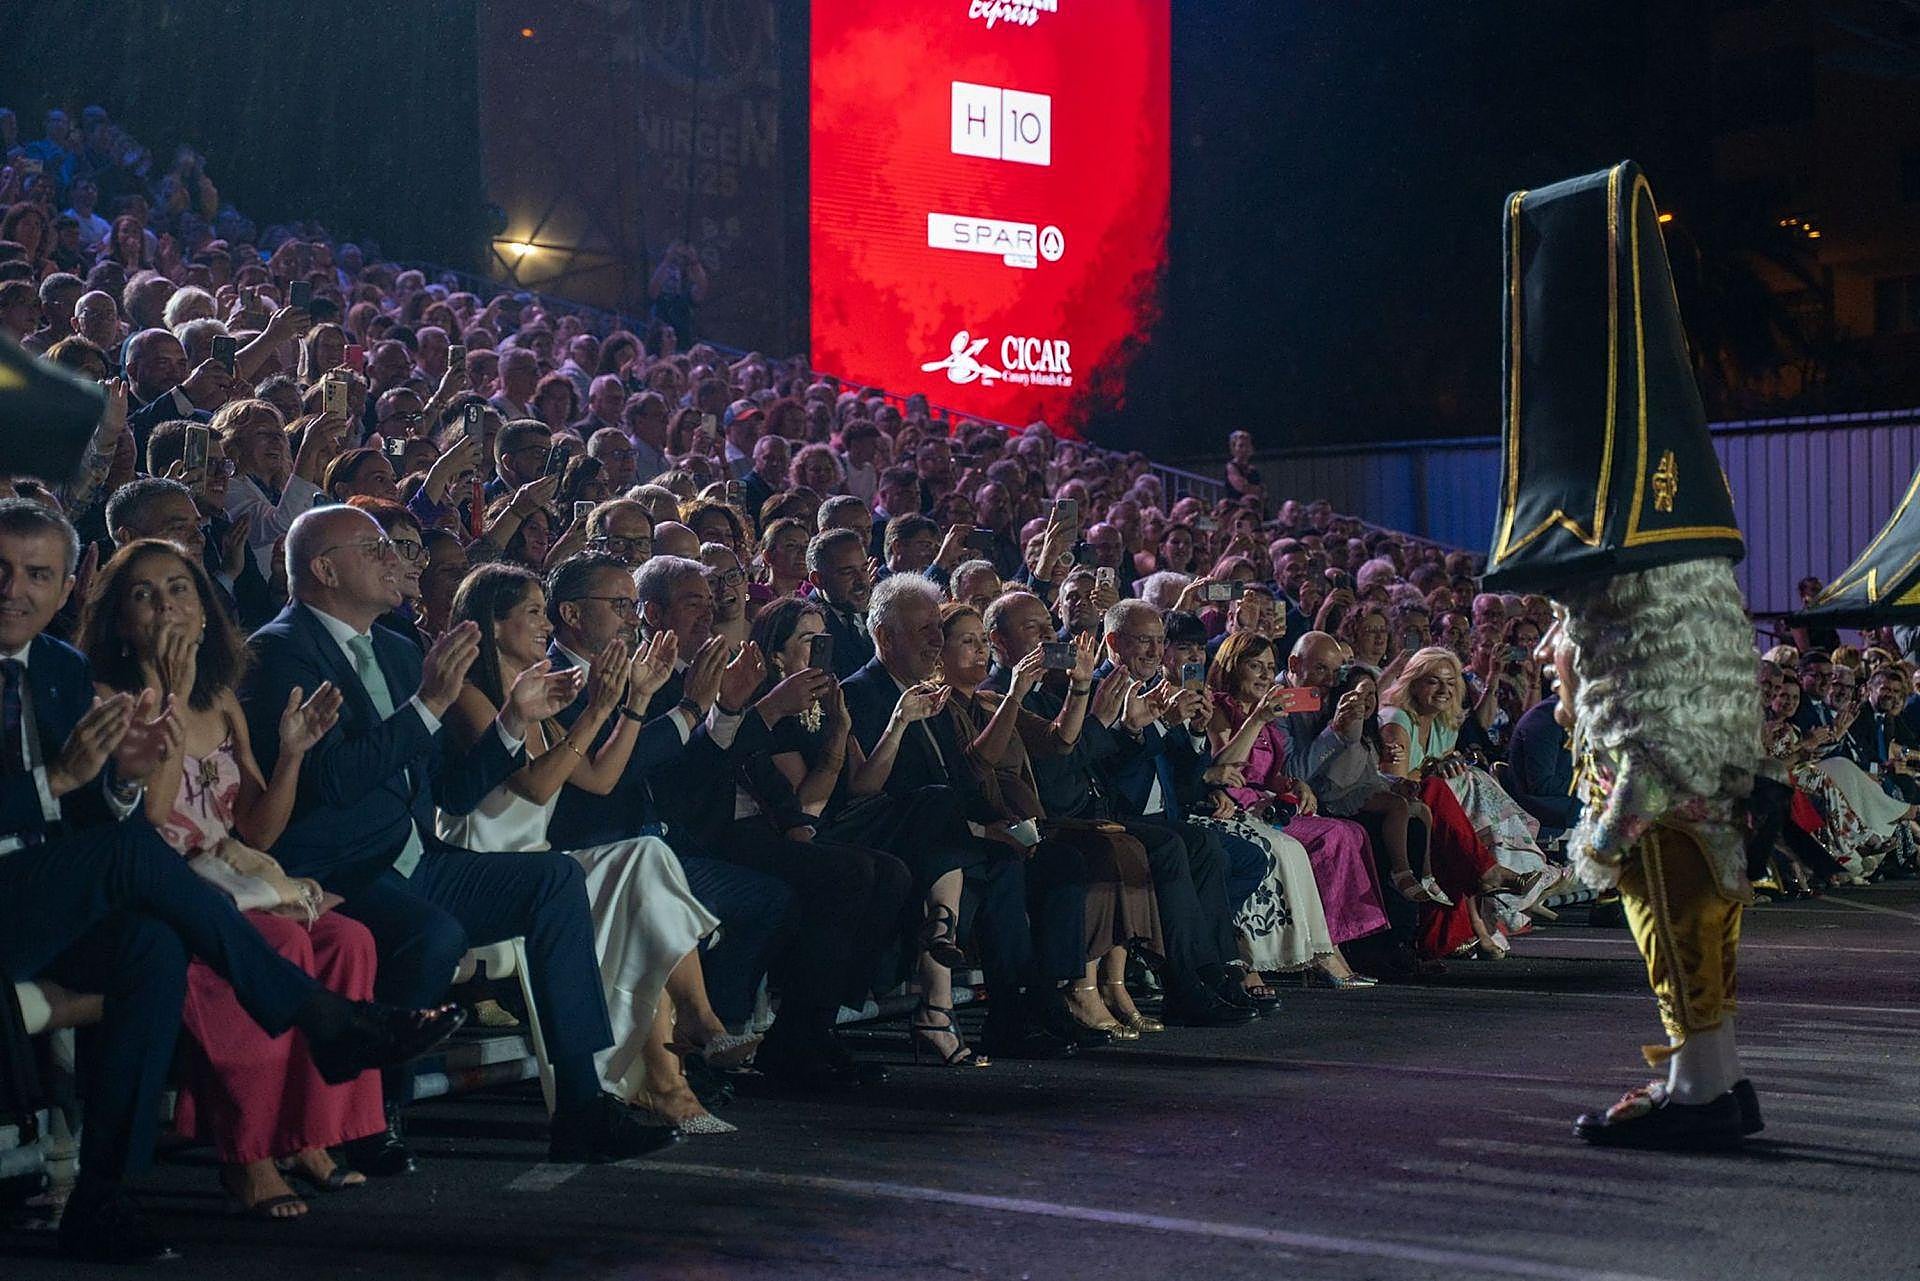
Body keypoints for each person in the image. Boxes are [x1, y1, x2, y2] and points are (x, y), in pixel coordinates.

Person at [0, 499, 460, 1263]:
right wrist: (59, 781)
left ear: (62, 588)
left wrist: (121, 777)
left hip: (49, 902)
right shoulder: (96, 677)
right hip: (26, 890)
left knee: (151, 944)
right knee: (134, 856)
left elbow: (117, 808)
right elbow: (102, 817)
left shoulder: (57, 670)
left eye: (36, 574)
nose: (14, 588)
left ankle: (104, 1195)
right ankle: (315, 1015)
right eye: (1, 570)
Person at [240, 505, 679, 1168]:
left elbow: (449, 791)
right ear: (325, 569)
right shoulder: (280, 649)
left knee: (556, 880)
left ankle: (582, 1105)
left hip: (417, 857)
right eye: (375, 548)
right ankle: (376, 1113)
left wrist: (511, 721)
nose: (397, 560)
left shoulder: (393, 645)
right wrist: (427, 706)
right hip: (338, 867)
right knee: (433, 932)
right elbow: (329, 782)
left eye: (395, 547)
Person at [1482, 162, 1763, 1148]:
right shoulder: (1675, 607)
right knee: (1689, 939)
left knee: (1681, 939)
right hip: (1692, 792)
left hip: (1662, 799)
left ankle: (1701, 1094)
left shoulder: (1648, 623)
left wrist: (1599, 833)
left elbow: (1652, 743)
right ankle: (1707, 1080)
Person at [79, 538, 383, 1219]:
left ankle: (309, 1131)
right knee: (283, 946)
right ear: (120, 619)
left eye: (179, 589)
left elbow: (259, 830)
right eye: (144, 594)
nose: (165, 605)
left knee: (348, 940)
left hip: (232, 876)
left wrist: (293, 754)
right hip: (167, 895)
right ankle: (247, 1153)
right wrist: (166, 696)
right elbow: (152, 815)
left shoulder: (221, 700)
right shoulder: (105, 695)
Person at [438, 564, 743, 1133]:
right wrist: (601, 709)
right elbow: (536, 783)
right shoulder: (471, 696)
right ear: (492, 623)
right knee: (636, 875)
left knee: (646, 855)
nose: (543, 621)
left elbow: (600, 779)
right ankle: (666, 1078)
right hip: (487, 868)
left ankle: (700, 1024)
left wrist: (636, 702)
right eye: (532, 611)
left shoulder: (537, 690)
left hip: (543, 863)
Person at [936, 602, 1166, 1038]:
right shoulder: (941, 705)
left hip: (1022, 829)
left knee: (1065, 865)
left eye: (981, 641)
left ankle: (1055, 995)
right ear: (939, 652)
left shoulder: (988, 699)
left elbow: (1059, 741)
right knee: (1040, 866)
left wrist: (1081, 689)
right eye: (968, 642)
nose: (980, 650)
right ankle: (1024, 1010)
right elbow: (977, 764)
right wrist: (1016, 694)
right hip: (973, 833)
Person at [1204, 633, 1381, 986]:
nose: (1265, 676)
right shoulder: (1222, 709)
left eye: (1269, 668)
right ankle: (1323, 952)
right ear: (1232, 668)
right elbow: (1225, 768)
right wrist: (1255, 719)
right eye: (1255, 667)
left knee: (1350, 832)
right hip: (1235, 808)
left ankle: (1332, 944)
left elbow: (1273, 775)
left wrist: (1293, 786)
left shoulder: (1269, 715)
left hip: (1266, 804)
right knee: (1329, 837)